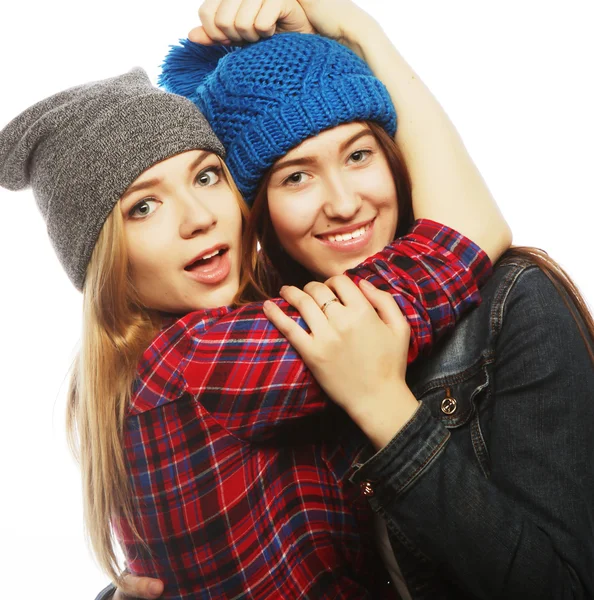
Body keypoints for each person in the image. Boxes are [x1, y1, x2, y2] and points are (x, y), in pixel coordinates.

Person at [107, 0, 594, 598]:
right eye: (295, 176)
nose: (342, 203)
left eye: (359, 155)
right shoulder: (262, 346)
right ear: (252, 211)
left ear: (394, 157)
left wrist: (386, 411)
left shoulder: (510, 304)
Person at [0, 60, 504, 600]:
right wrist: (359, 26)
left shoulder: (130, 372)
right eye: (143, 207)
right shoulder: (195, 357)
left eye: (206, 176)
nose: (198, 217)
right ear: (101, 259)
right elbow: (463, 242)